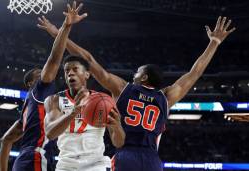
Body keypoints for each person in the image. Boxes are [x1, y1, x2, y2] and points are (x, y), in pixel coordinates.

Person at [39, 16, 235, 170]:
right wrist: (214, 43)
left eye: (138, 71)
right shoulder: (166, 97)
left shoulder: (124, 88)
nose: (134, 73)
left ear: (143, 78)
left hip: (126, 155)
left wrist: (60, 35)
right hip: (152, 160)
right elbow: (195, 72)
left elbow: (89, 60)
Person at [0, 2, 81, 170]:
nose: (43, 74)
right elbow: (54, 59)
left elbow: (5, 140)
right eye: (39, 74)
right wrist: (65, 27)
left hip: (26, 160)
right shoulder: (39, 90)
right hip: (36, 157)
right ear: (31, 83)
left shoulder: (28, 110)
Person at [42, 3, 125, 171]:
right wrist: (73, 113)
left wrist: (117, 126)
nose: (70, 74)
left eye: (75, 70)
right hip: (66, 165)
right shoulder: (55, 99)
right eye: (66, 71)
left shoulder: (104, 101)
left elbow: (119, 142)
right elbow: (50, 133)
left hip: (96, 165)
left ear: (87, 74)